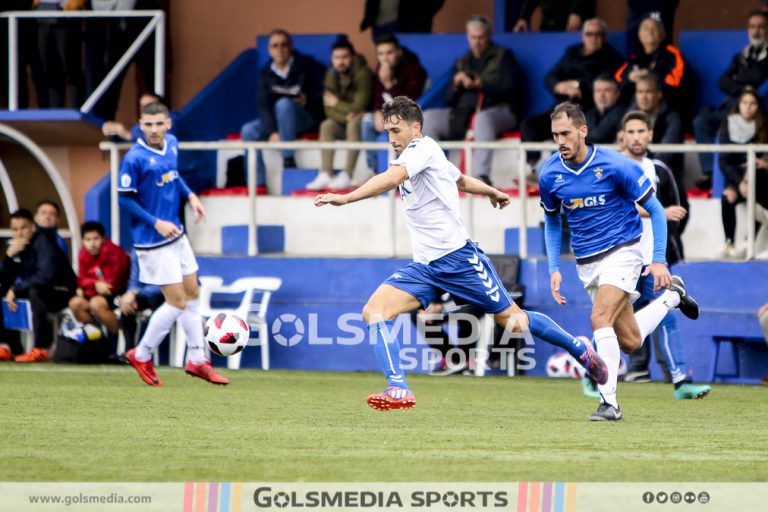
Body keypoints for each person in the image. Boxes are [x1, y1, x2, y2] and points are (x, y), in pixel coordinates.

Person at [315, 96, 609, 412]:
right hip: (425, 267)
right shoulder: (425, 154)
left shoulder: (420, 149)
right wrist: (492, 191)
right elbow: (460, 180)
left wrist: (347, 198)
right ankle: (398, 387)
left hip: (460, 260)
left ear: (415, 127)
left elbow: (393, 178)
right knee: (374, 311)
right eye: (387, 131)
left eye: (396, 130)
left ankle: (580, 350)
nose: (391, 138)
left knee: (515, 322)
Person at [539, 102, 700, 421]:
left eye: (566, 133)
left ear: (583, 131)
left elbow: (656, 210)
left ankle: (609, 403)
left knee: (599, 319)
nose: (560, 141)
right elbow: (553, 221)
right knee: (629, 341)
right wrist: (554, 267)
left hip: (623, 252)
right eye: (556, 135)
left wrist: (658, 261)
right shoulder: (550, 174)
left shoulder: (615, 165)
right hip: (587, 263)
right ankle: (671, 298)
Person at [118, 101, 228, 386]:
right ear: (140, 126)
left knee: (193, 293)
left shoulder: (173, 144)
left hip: (176, 234)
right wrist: (155, 222)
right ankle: (141, 353)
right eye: (148, 124)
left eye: (159, 124)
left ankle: (197, 359)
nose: (154, 130)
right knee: (177, 302)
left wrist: (190, 196)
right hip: (153, 241)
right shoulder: (134, 158)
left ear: (169, 124)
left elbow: (174, 177)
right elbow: (124, 198)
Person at [613, 110, 710, 400]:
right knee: (611, 318)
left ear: (650, 135)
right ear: (622, 136)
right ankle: (597, 370)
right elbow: (618, 208)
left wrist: (665, 250)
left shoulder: (658, 169)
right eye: (631, 132)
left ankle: (679, 379)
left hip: (650, 260)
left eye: (641, 131)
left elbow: (677, 208)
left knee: (664, 315)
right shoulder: (612, 167)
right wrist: (660, 211)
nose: (636, 137)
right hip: (619, 258)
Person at [422, 15, 521, 185]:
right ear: (468, 37)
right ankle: (437, 176)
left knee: (482, 119)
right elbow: (449, 100)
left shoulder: (504, 56)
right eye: (473, 37)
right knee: (428, 117)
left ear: (489, 36)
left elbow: (513, 92)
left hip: (500, 111)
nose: (477, 41)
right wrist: (456, 84)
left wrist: (482, 84)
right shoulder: (462, 61)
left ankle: (480, 178)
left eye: (481, 37)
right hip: (464, 114)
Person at [520, 19, 623, 165]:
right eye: (589, 34)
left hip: (586, 110)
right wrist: (558, 86)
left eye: (598, 34)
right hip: (561, 107)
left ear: (605, 37)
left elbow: (599, 83)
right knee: (529, 125)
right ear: (583, 36)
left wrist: (576, 84)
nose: (593, 38)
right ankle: (532, 169)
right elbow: (550, 76)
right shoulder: (573, 52)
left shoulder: (611, 57)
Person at [693, 10, 768, 189]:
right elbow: (722, 81)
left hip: (757, 112)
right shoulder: (742, 55)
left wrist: (740, 83)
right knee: (702, 120)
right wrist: (743, 88)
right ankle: (709, 173)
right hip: (731, 110)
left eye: (761, 27)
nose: (756, 31)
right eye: (752, 27)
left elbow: (756, 78)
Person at [240, 29, 324, 186]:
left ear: (290, 46)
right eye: (275, 46)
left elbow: (325, 94)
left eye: (284, 45)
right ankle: (257, 183)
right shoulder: (265, 73)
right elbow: (263, 105)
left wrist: (307, 99)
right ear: (269, 49)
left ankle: (288, 158)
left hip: (306, 118)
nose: (280, 49)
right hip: (278, 123)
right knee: (248, 130)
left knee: (284, 104)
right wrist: (272, 131)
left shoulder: (308, 65)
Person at [0, 209, 76, 362]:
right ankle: (11, 347)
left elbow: (46, 276)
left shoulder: (43, 242)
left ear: (32, 227)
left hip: (62, 292)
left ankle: (40, 349)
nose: (19, 233)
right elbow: (6, 280)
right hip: (38, 290)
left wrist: (16, 289)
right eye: (15, 229)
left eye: (23, 228)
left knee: (36, 293)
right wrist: (8, 257)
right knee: (3, 292)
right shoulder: (18, 248)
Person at [306, 39, 373, 191]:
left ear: (353, 57)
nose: (341, 61)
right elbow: (327, 109)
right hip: (345, 121)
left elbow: (359, 106)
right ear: (332, 59)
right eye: (337, 57)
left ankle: (347, 175)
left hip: (363, 123)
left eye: (345, 57)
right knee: (326, 125)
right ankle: (326, 173)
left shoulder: (364, 73)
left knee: (354, 123)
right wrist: (345, 114)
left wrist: (337, 103)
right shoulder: (331, 73)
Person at [360, 34, 428, 185]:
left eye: (389, 53)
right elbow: (377, 95)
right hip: (388, 114)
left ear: (399, 52)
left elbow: (409, 102)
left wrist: (389, 83)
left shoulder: (413, 69)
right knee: (367, 121)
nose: (385, 58)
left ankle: (402, 175)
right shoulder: (381, 67)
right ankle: (372, 170)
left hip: (409, 116)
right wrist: (378, 111)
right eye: (381, 54)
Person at [717, 88, 768, 259]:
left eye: (753, 104)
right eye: (744, 103)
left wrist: (764, 164)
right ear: (739, 105)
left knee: (760, 200)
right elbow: (724, 161)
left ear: (758, 107)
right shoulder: (727, 125)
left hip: (758, 177)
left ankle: (749, 242)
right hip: (735, 178)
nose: (748, 107)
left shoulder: (764, 126)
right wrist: (738, 182)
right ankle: (729, 243)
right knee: (728, 198)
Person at [614, 14, 692, 123]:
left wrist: (649, 74)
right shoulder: (635, 57)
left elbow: (676, 83)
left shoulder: (672, 55)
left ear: (663, 34)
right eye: (646, 28)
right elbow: (617, 83)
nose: (650, 32)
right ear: (639, 34)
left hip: (666, 108)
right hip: (633, 107)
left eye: (654, 28)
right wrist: (629, 77)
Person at [67, 221, 129, 338]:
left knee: (96, 303)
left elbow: (110, 286)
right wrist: (94, 284)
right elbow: (82, 279)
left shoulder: (113, 252)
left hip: (118, 294)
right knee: (75, 303)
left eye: (96, 239)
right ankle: (97, 337)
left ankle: (118, 339)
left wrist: (87, 288)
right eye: (88, 240)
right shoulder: (83, 253)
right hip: (94, 292)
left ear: (103, 239)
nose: (92, 244)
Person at [33, 0, 86, 108]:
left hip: (68, 18)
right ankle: (54, 117)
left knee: (72, 73)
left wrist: (71, 5)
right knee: (51, 75)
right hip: (43, 17)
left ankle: (78, 116)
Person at [118, 249, 164, 351]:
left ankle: (146, 351)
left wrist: (135, 292)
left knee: (159, 300)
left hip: (170, 296)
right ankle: (129, 351)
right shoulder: (138, 249)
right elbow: (134, 278)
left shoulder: (167, 247)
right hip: (145, 294)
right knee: (127, 305)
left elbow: (167, 284)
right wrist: (131, 292)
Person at [101, 92, 173, 142]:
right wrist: (113, 132)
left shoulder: (172, 119)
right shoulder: (139, 126)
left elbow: (163, 137)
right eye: (142, 106)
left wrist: (127, 135)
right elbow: (129, 139)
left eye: (150, 105)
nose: (145, 109)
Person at [360, 0, 445, 42]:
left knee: (407, 60)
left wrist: (423, 15)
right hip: (379, 23)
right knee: (384, 58)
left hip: (408, 25)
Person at [584, 74, 625, 144]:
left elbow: (600, 136)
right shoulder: (589, 114)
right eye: (598, 90)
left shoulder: (622, 113)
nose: (602, 95)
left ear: (617, 94)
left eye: (607, 90)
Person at [513, 0, 595, 32]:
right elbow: (530, 2)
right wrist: (523, 18)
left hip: (574, 25)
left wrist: (576, 12)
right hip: (549, 25)